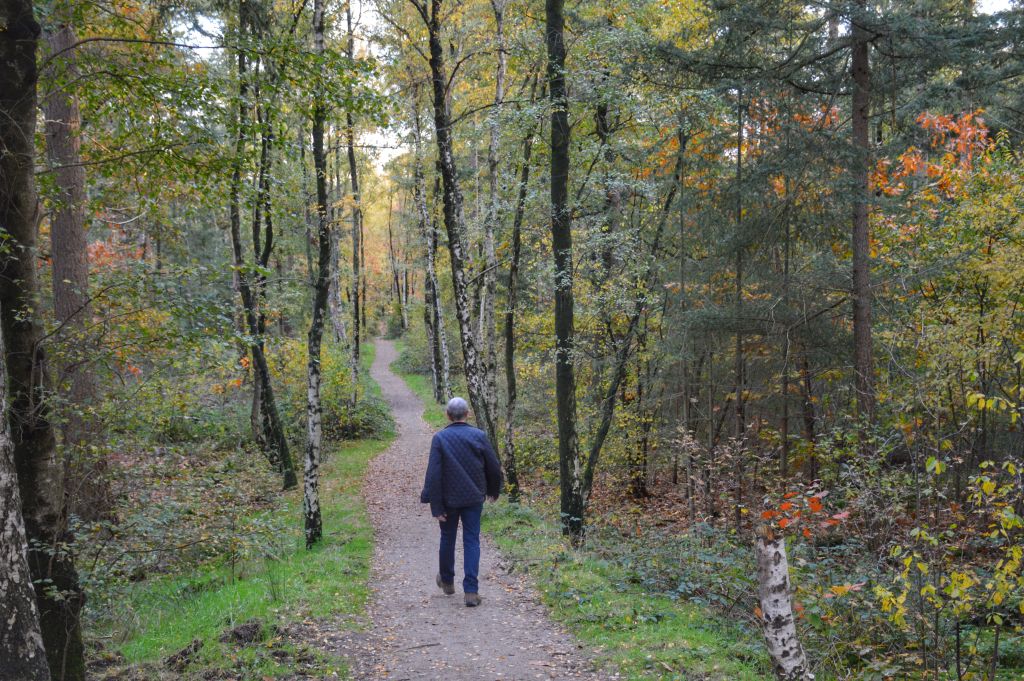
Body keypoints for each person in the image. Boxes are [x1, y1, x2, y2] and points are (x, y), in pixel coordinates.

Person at [420, 397, 503, 607]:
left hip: (448, 500)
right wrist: (494, 490)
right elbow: (493, 467)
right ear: (467, 414)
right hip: (474, 498)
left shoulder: (440, 438)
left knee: (447, 538)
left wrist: (436, 506)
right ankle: (471, 592)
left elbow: (434, 474)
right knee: (471, 541)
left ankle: (447, 581)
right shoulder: (479, 436)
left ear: (448, 415)